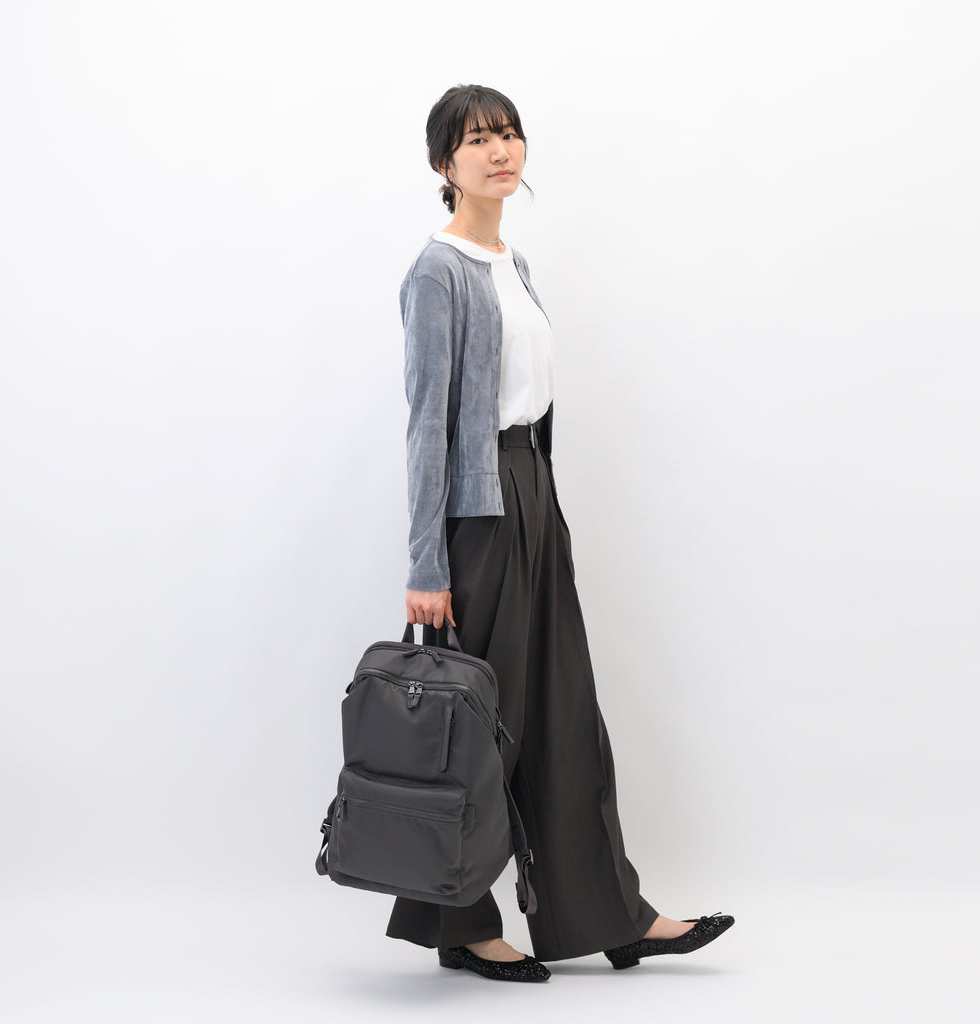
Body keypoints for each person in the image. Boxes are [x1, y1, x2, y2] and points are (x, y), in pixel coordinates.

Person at [385, 83, 735, 983]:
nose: (499, 150)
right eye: (477, 139)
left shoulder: (515, 263)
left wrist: (540, 503)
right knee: (482, 725)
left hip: (532, 495)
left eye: (508, 134)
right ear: (443, 163)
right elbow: (427, 425)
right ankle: (461, 923)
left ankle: (611, 914)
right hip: (479, 515)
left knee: (564, 714)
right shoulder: (437, 272)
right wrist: (426, 561)